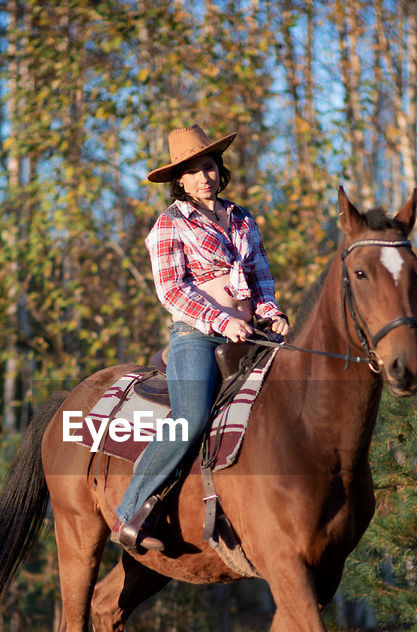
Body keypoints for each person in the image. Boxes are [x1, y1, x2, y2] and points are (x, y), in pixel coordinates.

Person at [111, 124, 290, 553]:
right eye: (193, 171)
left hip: (252, 334)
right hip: (197, 335)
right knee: (190, 415)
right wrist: (221, 322)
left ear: (218, 168)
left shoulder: (243, 218)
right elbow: (172, 290)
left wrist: (274, 314)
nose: (204, 176)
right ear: (181, 181)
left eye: (209, 166)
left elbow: (260, 279)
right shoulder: (170, 224)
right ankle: (129, 510)